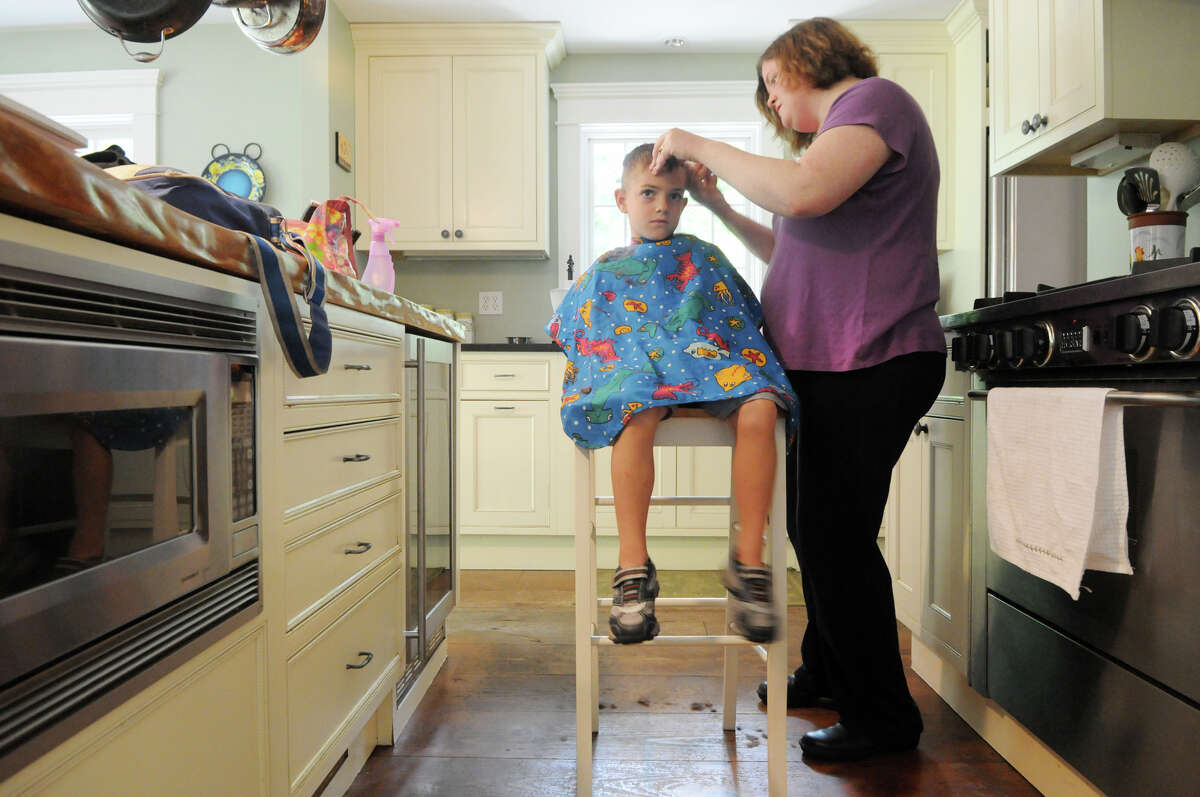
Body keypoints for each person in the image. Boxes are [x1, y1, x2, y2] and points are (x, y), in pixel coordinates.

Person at [648, 18, 947, 761]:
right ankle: (828, 668)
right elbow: (795, 247)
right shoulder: (836, 144)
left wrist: (693, 141)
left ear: (805, 60)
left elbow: (805, 195)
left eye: (772, 83)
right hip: (834, 364)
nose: (771, 103)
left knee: (834, 535)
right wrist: (720, 210)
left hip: (872, 358)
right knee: (815, 528)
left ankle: (884, 718)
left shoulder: (876, 103)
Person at [547, 143, 798, 645]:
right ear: (622, 199)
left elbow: (738, 321)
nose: (662, 205)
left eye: (674, 196)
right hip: (645, 381)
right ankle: (633, 566)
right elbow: (579, 330)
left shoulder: (705, 257)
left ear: (685, 203)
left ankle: (749, 560)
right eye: (648, 193)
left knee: (761, 408)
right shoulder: (606, 267)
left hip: (712, 368)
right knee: (635, 412)